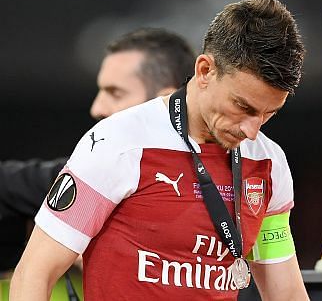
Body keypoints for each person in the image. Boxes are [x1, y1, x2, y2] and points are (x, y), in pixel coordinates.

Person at [10, 0, 310, 300]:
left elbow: (285, 293)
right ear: (205, 71)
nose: (252, 130)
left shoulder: (267, 162)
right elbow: (34, 274)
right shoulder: (118, 143)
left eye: (268, 114)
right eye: (243, 107)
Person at [0, 27, 196, 271]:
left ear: (164, 102)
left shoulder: (239, 179)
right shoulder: (91, 176)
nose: (97, 108)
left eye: (115, 93)